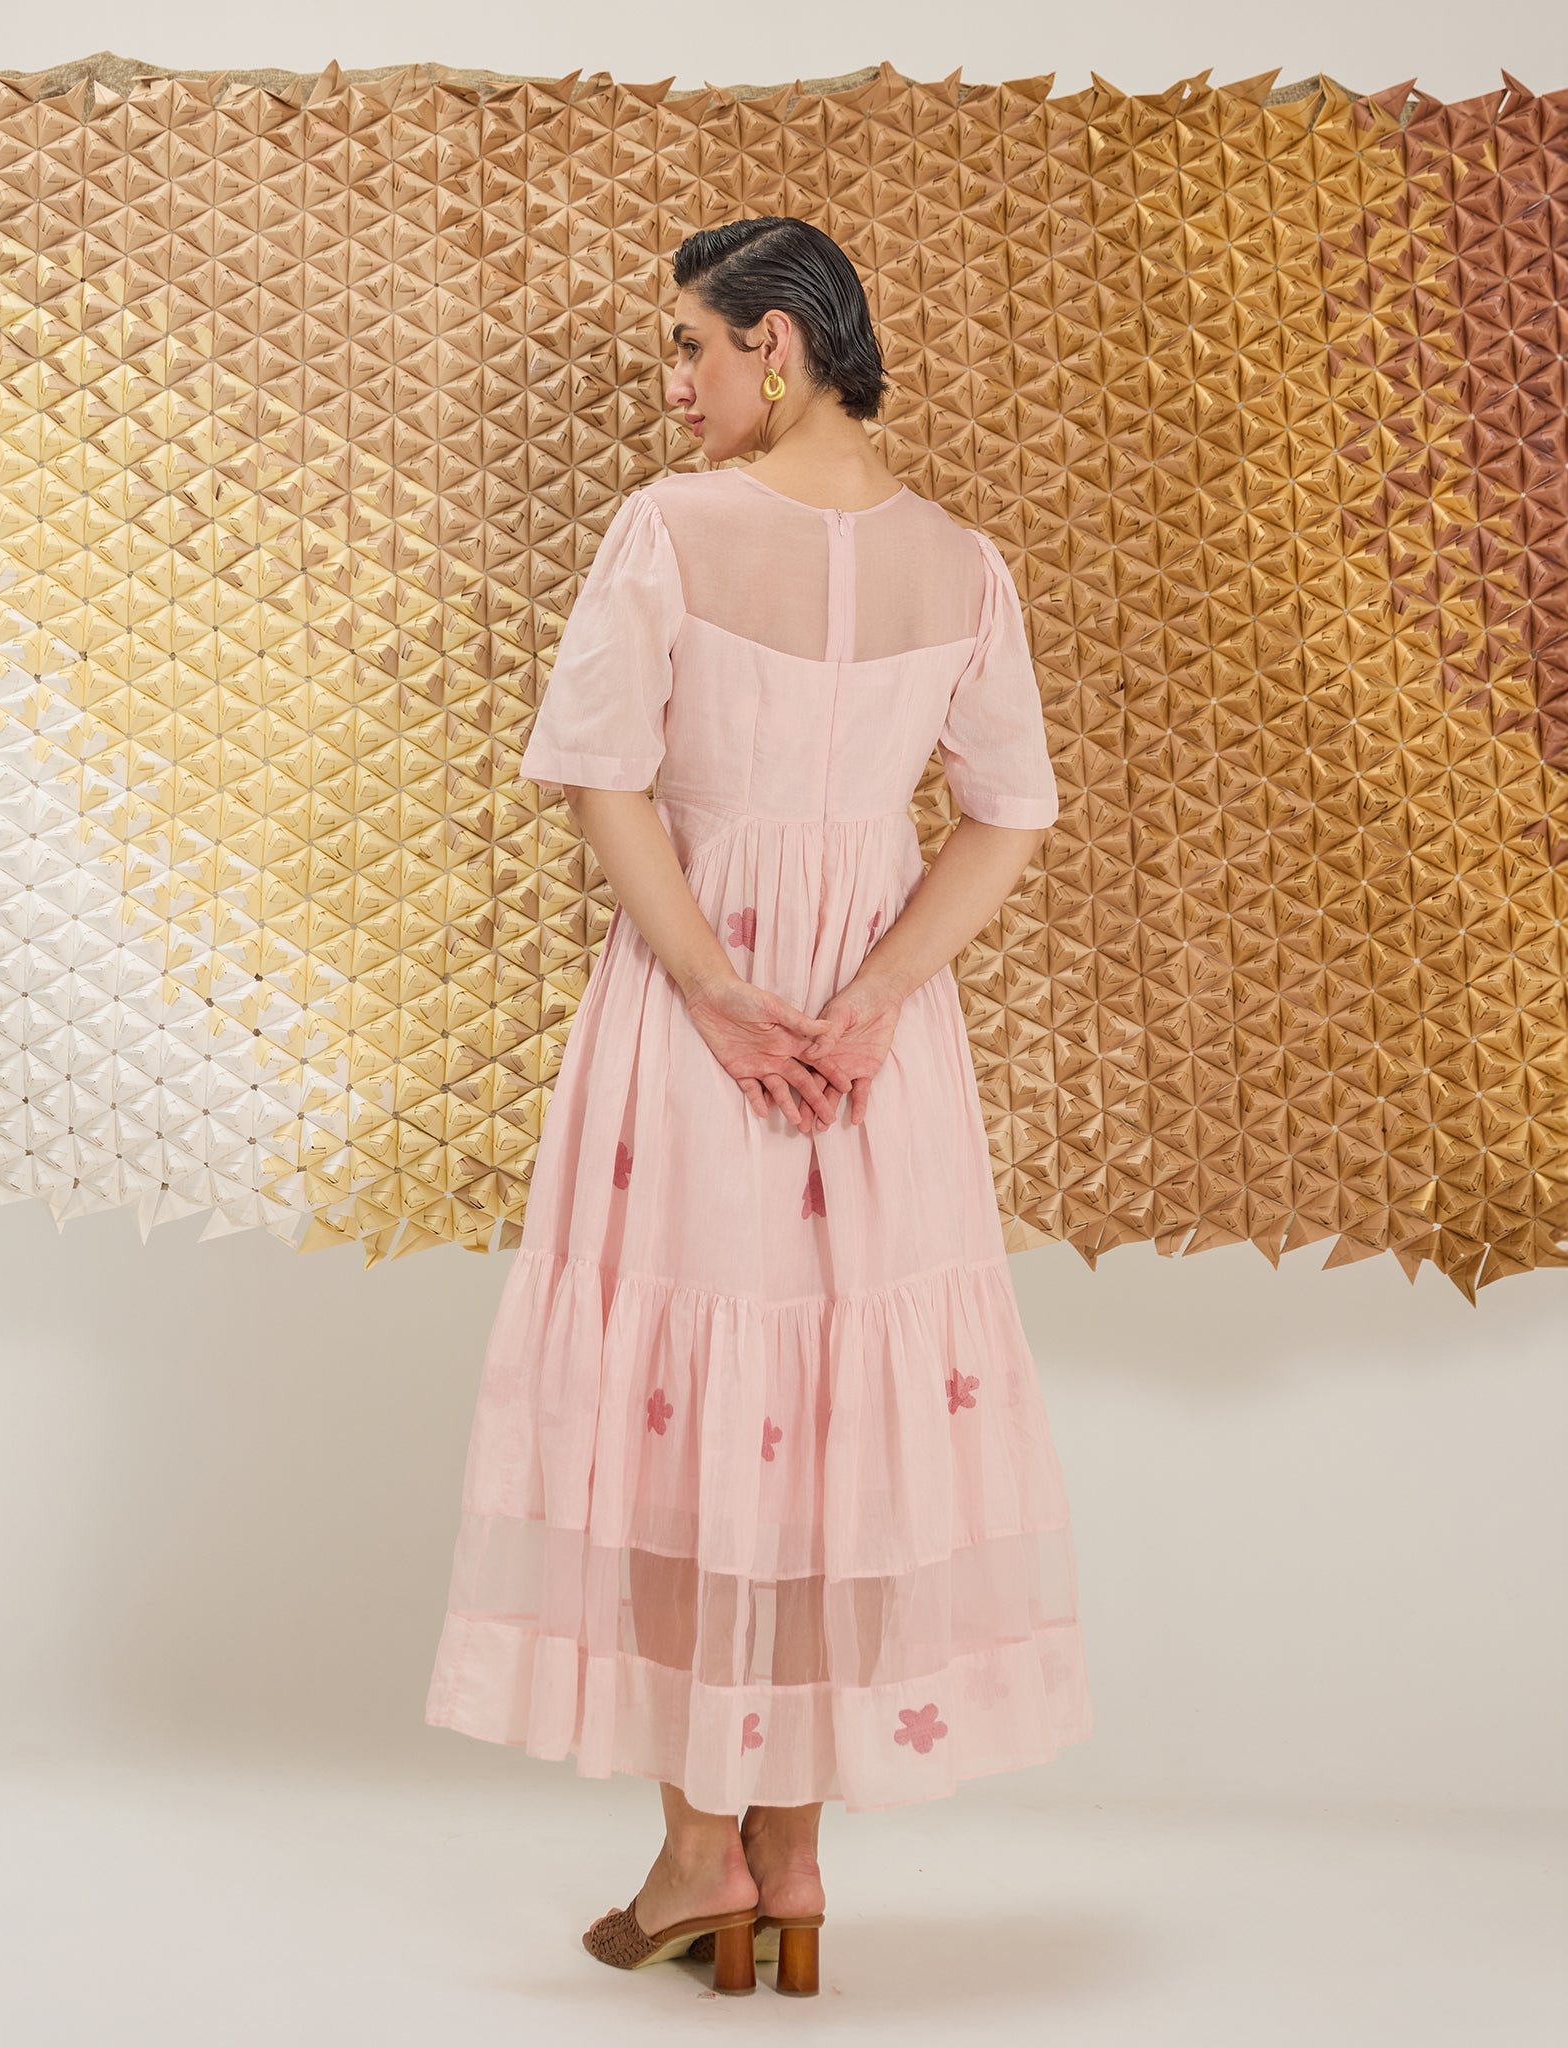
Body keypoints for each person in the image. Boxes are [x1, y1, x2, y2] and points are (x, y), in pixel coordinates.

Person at [424, 216, 1092, 1998]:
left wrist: (720, 989)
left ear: (776, 347)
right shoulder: (964, 563)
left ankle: (696, 1853)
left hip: (698, 1021)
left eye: (690, 345)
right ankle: (791, 1859)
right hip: (876, 1051)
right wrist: (873, 1001)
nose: (676, 383)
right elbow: (1009, 814)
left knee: (687, 1408)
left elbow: (604, 779)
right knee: (831, 1415)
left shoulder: (672, 528)